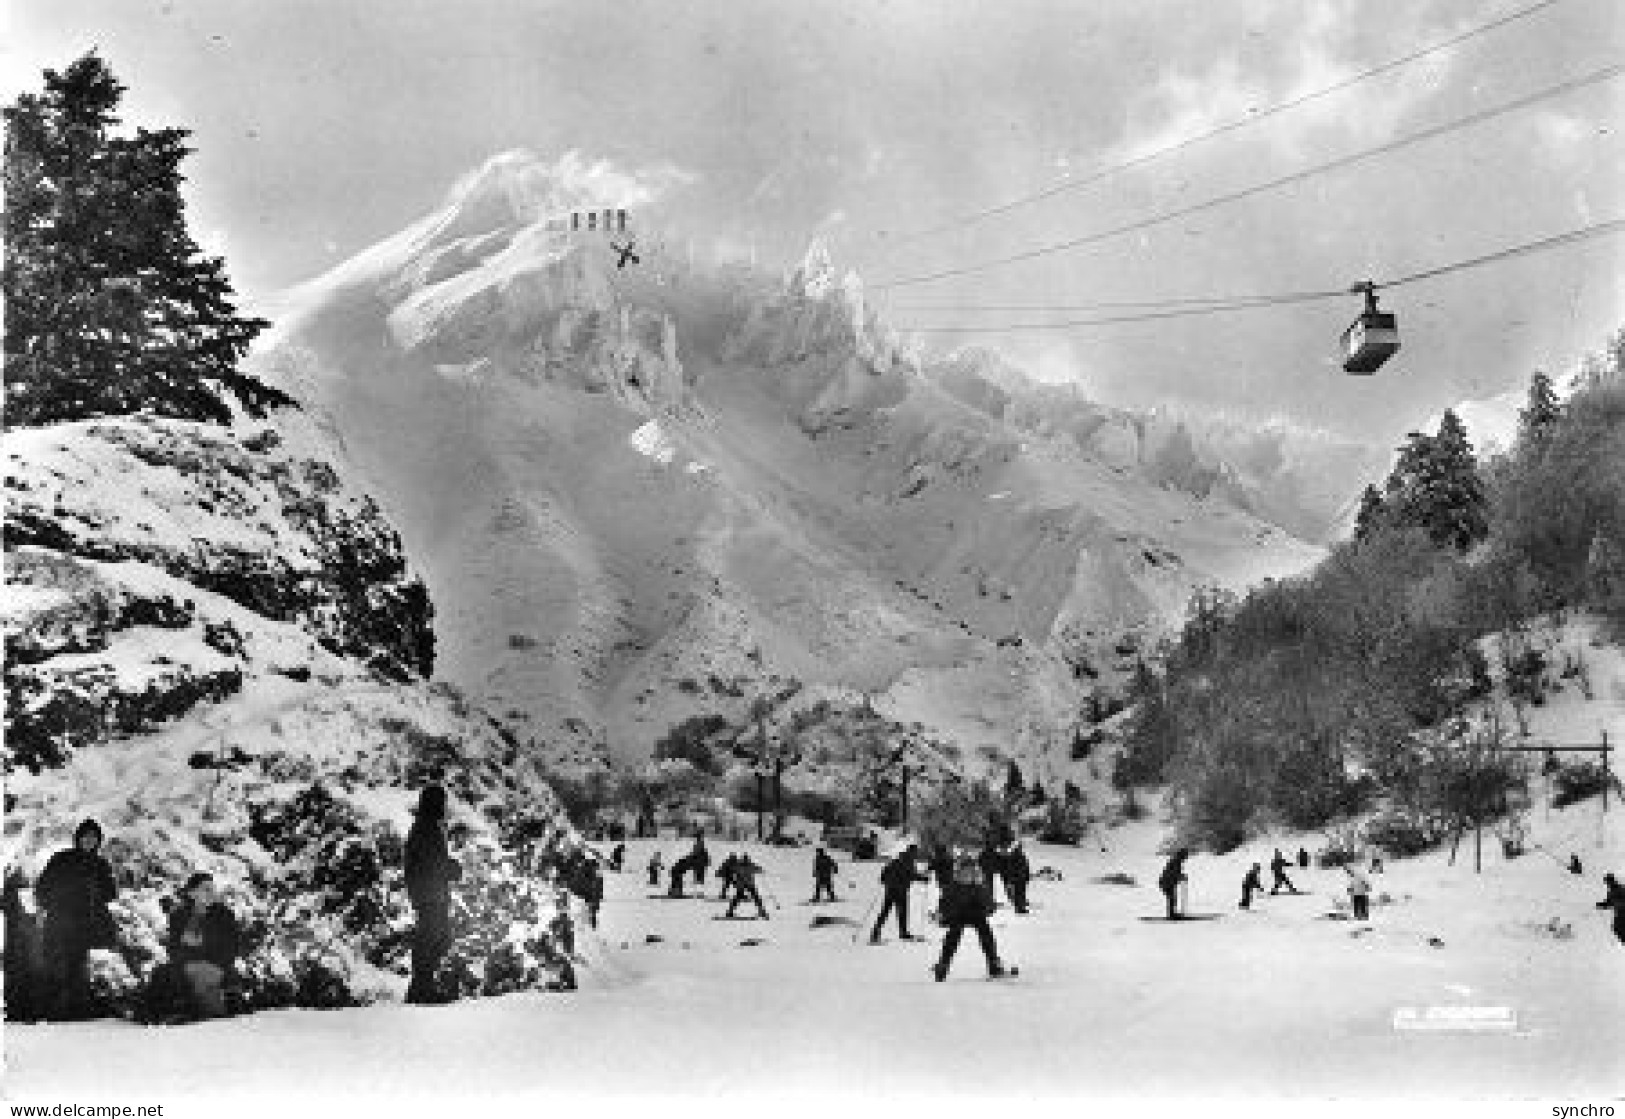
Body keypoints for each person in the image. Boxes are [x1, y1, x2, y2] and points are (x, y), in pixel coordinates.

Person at [35, 818, 118, 1020]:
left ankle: (76, 1011)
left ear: (98, 841)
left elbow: (111, 893)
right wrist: (52, 905)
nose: (89, 840)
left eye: (94, 837)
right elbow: (43, 886)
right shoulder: (62, 858)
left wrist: (96, 894)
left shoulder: (100, 864)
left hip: (86, 924)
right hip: (60, 921)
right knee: (55, 963)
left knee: (78, 965)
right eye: (86, 836)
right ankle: (51, 1010)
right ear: (78, 838)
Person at [404, 784, 462, 1004]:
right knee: (430, 938)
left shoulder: (426, 826)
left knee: (436, 937)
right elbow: (431, 863)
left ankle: (422, 987)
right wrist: (452, 869)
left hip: (430, 892)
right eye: (441, 802)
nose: (444, 807)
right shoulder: (426, 828)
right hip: (428, 893)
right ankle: (421, 990)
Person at [164, 872, 240, 1020]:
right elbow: (172, 947)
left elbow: (232, 946)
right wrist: (186, 957)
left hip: (216, 964)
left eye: (213, 889)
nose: (212, 893)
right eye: (206, 889)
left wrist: (206, 954)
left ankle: (213, 1019)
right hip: (185, 964)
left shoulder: (224, 914)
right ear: (192, 893)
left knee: (202, 975)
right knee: (162, 974)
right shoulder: (179, 915)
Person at [932, 850, 1008, 981]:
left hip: (974, 914)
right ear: (959, 872)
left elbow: (985, 899)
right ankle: (943, 964)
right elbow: (945, 900)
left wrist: (990, 907)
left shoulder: (977, 885)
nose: (967, 874)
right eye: (965, 872)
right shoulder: (955, 886)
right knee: (953, 937)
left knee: (986, 935)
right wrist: (941, 913)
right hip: (960, 914)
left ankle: (993, 963)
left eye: (970, 871)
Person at [3, 870, 46, 1022]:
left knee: (27, 973)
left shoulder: (28, 898)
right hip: (21, 945)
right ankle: (22, 1011)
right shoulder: (15, 898)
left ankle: (25, 1011)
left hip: (26, 944)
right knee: (22, 974)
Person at [870, 844, 928, 944]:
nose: (917, 855)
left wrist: (886, 881)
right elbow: (911, 875)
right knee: (902, 912)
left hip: (890, 890)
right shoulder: (908, 862)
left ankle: (875, 933)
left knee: (885, 912)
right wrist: (923, 878)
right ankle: (903, 933)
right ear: (913, 853)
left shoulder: (896, 860)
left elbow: (884, 873)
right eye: (916, 853)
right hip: (900, 891)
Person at [726, 855, 770, 920]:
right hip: (744, 884)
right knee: (738, 898)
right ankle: (730, 911)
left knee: (755, 897)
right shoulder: (742, 866)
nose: (745, 862)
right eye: (745, 861)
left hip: (747, 884)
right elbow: (732, 870)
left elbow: (758, 869)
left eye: (746, 861)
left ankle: (762, 911)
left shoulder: (745, 865)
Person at [1157, 848, 1190, 920]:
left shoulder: (1176, 861)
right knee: (1171, 898)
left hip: (1168, 882)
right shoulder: (1176, 862)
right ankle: (1171, 914)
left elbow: (1175, 873)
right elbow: (1173, 873)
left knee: (1172, 898)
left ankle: (1172, 913)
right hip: (1166, 882)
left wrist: (1181, 876)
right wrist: (1181, 877)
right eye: (1185, 856)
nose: (1186, 858)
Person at [1004, 842, 1031, 915]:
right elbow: (1010, 868)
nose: (1020, 848)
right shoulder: (1016, 856)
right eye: (1019, 847)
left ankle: (1020, 907)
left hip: (1020, 877)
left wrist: (1027, 876)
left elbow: (1026, 867)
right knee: (1019, 893)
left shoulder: (1018, 856)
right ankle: (1019, 908)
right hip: (1018, 878)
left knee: (1020, 893)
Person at [1597, 873, 1625, 946]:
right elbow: (1609, 901)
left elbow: (1616, 901)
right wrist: (1602, 905)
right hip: (1619, 912)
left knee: (1617, 927)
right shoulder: (1612, 891)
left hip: (1622, 911)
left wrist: (1615, 903)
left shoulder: (1620, 889)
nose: (1607, 884)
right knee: (1617, 927)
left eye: (1607, 882)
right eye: (1606, 882)